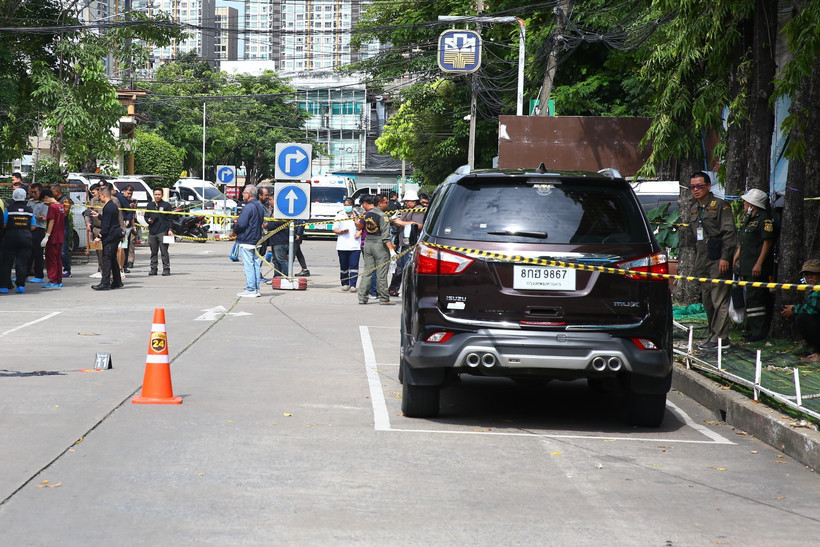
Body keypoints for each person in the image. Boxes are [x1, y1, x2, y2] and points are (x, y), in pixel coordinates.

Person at [689, 172, 738, 349]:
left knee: (720, 299)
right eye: (692, 187)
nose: (696, 190)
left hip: (718, 258)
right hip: (702, 258)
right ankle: (712, 335)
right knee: (707, 299)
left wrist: (726, 257)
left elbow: (730, 233)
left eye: (699, 186)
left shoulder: (720, 206)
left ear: (708, 186)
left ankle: (721, 338)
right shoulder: (694, 208)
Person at [732, 189, 775, 342]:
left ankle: (760, 332)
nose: (744, 204)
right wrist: (734, 260)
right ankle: (753, 329)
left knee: (757, 299)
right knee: (750, 298)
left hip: (757, 268)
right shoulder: (748, 219)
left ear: (753, 204)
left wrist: (759, 263)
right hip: (746, 265)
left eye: (746, 201)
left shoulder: (764, 219)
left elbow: (767, 242)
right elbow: (742, 243)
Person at [356, 194, 396, 305]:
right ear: (380, 203)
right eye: (386, 202)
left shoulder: (368, 214)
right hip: (380, 246)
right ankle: (384, 298)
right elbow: (385, 237)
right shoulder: (383, 216)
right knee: (381, 273)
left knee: (367, 272)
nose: (388, 204)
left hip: (368, 243)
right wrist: (392, 251)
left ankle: (362, 297)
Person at [781, 259, 820, 364]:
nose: (810, 277)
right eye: (807, 275)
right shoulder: (814, 289)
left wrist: (794, 309)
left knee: (804, 318)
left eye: (814, 274)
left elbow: (811, 309)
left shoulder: (818, 290)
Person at [388, 189, 425, 296]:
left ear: (414, 201)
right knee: (399, 268)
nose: (406, 203)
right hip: (403, 242)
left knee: (407, 268)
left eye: (408, 201)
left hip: (412, 243)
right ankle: (394, 289)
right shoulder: (406, 210)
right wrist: (396, 222)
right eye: (406, 201)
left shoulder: (419, 210)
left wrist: (402, 222)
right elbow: (401, 224)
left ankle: (409, 291)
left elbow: (418, 224)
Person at [233, 184, 266, 297]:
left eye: (244, 193)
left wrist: (235, 229)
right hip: (257, 239)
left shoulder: (248, 207)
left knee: (248, 265)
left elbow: (241, 223)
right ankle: (256, 288)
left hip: (247, 240)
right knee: (256, 264)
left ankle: (251, 288)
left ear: (249, 194)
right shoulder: (259, 206)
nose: (243, 195)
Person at [0, 188, 35, 294]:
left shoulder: (9, 210)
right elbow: (33, 226)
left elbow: (4, 224)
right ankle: (20, 286)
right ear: (25, 197)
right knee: (22, 263)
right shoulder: (29, 211)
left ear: (13, 197)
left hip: (10, 238)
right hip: (26, 238)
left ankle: (4, 286)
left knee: (7, 263)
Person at [91, 185, 124, 291]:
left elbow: (106, 225)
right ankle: (117, 281)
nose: (99, 198)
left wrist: (99, 237)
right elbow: (109, 219)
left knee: (106, 259)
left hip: (110, 237)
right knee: (113, 259)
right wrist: (99, 216)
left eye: (100, 195)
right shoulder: (111, 206)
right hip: (114, 235)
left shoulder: (108, 207)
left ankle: (105, 283)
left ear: (104, 195)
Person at [332, 197, 361, 291]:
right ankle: (345, 283)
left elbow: (361, 227)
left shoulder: (358, 214)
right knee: (344, 266)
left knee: (354, 266)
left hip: (355, 245)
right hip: (342, 245)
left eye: (349, 205)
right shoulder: (340, 215)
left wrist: (359, 232)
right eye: (345, 205)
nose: (347, 207)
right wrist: (341, 231)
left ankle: (353, 285)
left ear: (353, 205)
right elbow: (334, 228)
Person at [39, 188, 65, 288]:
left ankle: (53, 280)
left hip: (53, 237)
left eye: (43, 201)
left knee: (51, 259)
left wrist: (47, 236)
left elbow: (52, 221)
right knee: (58, 259)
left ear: (46, 197)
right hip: (60, 236)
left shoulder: (52, 207)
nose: (44, 204)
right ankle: (58, 280)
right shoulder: (61, 206)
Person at [145, 188, 173, 276]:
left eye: (159, 194)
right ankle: (153, 268)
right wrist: (148, 220)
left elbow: (170, 219)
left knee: (164, 251)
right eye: (156, 194)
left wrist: (170, 229)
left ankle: (166, 268)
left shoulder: (166, 205)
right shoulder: (150, 205)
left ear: (162, 195)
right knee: (153, 251)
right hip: (152, 231)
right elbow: (146, 216)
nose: (157, 196)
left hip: (163, 231)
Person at [51, 183, 74, 278]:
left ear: (57, 191)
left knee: (63, 250)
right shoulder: (55, 200)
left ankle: (67, 269)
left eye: (52, 191)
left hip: (63, 227)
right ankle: (59, 268)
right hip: (55, 227)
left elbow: (64, 213)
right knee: (56, 249)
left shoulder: (65, 200)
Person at [27, 182, 47, 283]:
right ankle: (25, 274)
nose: (33, 194)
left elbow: (44, 218)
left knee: (38, 253)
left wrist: (37, 217)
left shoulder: (44, 203)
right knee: (28, 253)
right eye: (31, 192)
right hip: (29, 229)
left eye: (35, 192)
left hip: (39, 229)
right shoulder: (30, 202)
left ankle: (39, 275)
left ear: (40, 192)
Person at [84, 183, 104, 278]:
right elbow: (87, 213)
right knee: (99, 251)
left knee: (108, 251)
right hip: (97, 228)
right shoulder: (93, 201)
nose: (93, 194)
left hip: (108, 229)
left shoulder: (110, 200)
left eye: (94, 192)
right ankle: (101, 270)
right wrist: (88, 223)